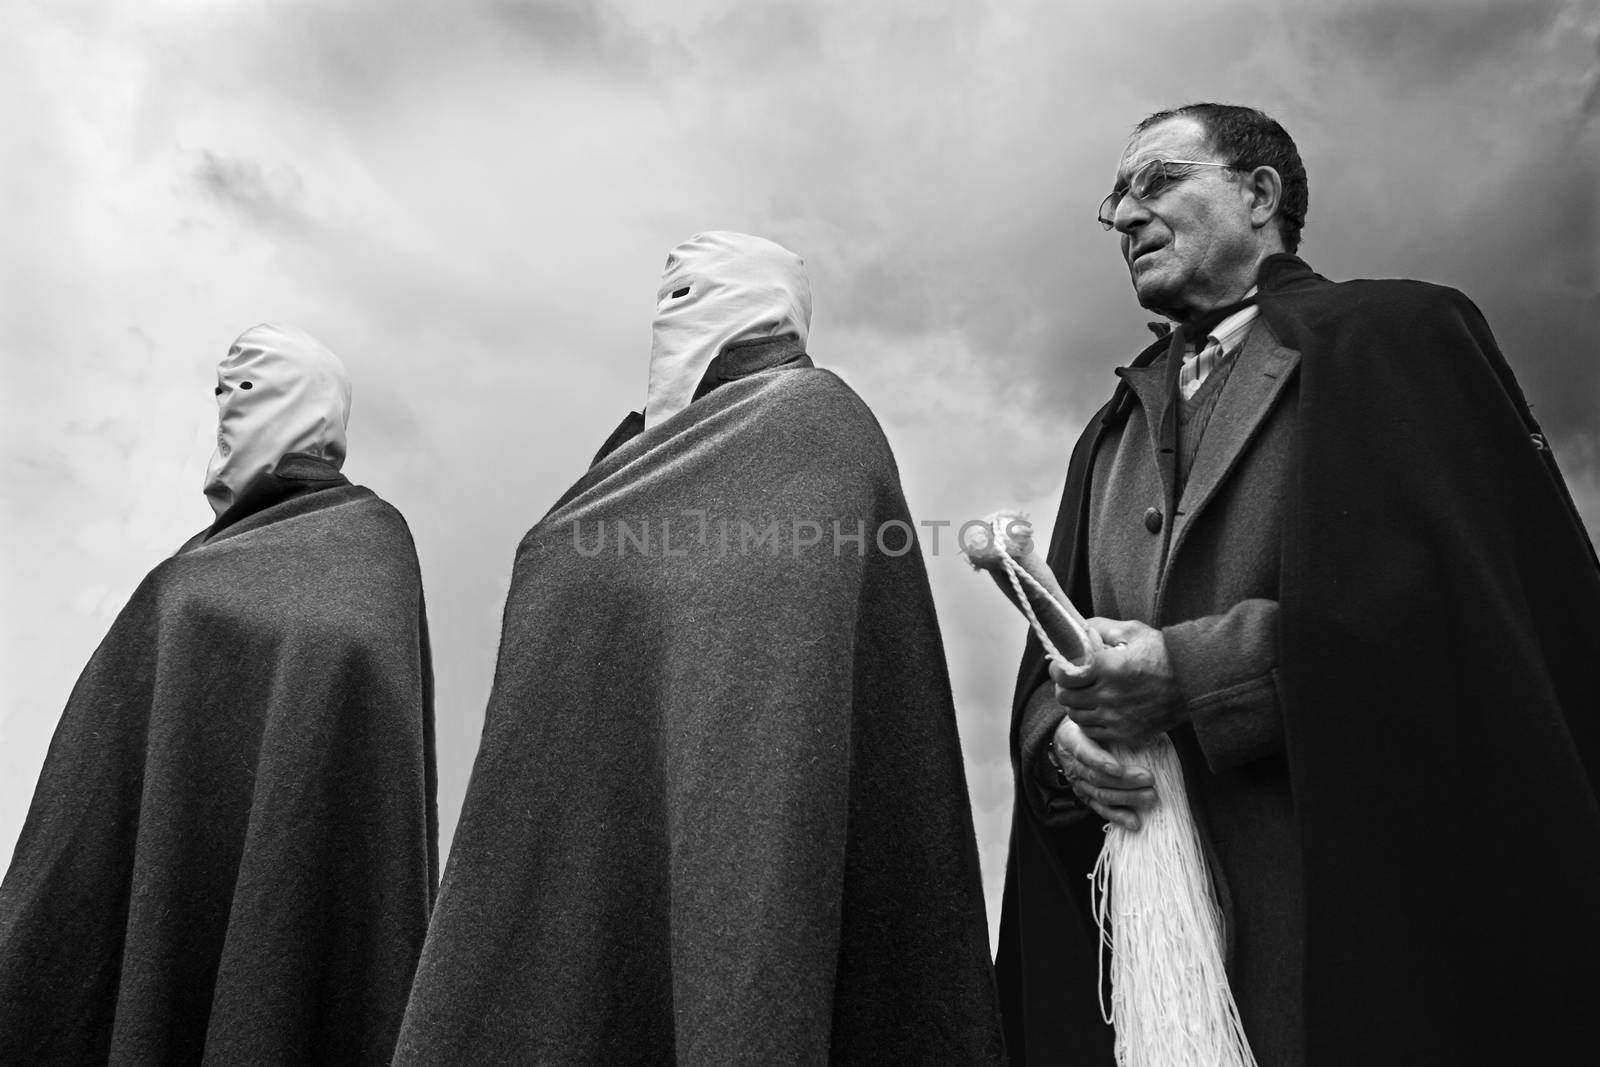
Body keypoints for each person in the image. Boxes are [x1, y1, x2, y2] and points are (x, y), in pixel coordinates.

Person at [994, 104, 1600, 1066]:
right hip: (1156, 973)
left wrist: (1189, 673)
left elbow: (1465, 614)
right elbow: (1043, 673)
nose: (1125, 217)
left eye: (1156, 180)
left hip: (1366, 940)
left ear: (1260, 193)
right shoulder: (1106, 433)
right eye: (1115, 199)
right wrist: (1064, 742)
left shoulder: (1401, 336)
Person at [393, 231, 1005, 1065]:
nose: (666, 319)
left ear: (770, 308)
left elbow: (793, 721)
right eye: (663, 295)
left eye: (693, 294)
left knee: (752, 972)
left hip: (760, 863)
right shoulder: (623, 472)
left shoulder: (820, 436)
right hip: (610, 881)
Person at [0, 324, 438, 1065]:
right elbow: (88, 829)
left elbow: (365, 809)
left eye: (250, 390)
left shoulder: (370, 556)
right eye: (222, 393)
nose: (228, 412)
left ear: (310, 410)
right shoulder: (184, 584)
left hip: (304, 945)